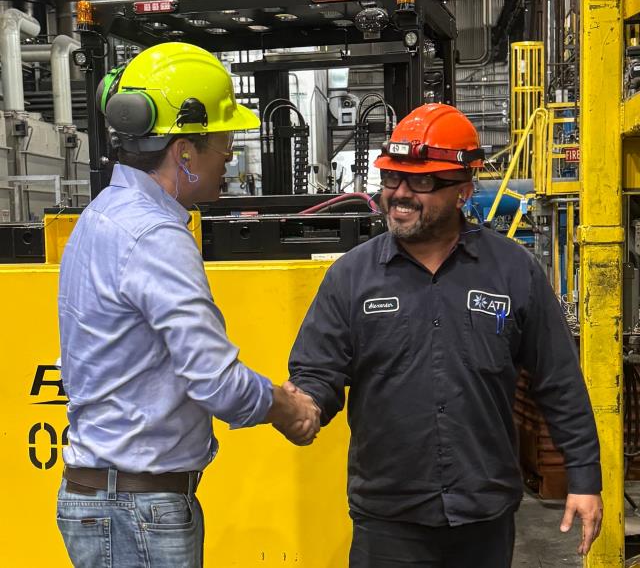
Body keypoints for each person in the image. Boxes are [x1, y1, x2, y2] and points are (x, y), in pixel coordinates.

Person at [288, 103, 603, 567]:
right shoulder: (351, 277)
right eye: (391, 178)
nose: (399, 194)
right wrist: (304, 406)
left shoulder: (513, 271)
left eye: (421, 182)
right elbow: (317, 371)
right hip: (388, 518)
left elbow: (558, 381)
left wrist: (584, 477)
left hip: (483, 513)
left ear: (463, 191)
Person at [56, 42, 319, 568]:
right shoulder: (154, 236)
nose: (229, 156)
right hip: (138, 508)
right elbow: (216, 382)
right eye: (223, 141)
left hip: (107, 499)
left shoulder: (102, 215)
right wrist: (287, 407)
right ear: (183, 152)